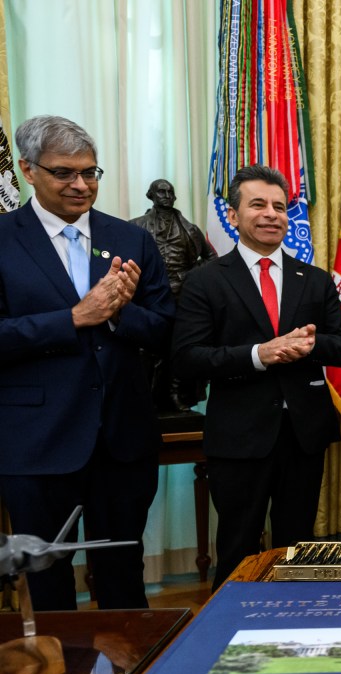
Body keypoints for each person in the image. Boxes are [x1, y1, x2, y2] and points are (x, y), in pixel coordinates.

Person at [0, 115, 174, 609]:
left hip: (122, 438)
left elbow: (165, 327)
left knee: (123, 571)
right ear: (28, 170)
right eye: (64, 173)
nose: (82, 185)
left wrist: (118, 315)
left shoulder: (130, 239)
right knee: (48, 579)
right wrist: (75, 317)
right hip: (38, 443)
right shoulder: (3, 239)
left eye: (91, 172)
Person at [171, 164, 341, 588]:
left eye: (280, 206)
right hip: (238, 437)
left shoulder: (313, 280)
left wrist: (312, 346)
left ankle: (294, 630)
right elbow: (187, 358)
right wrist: (259, 355)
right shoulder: (205, 281)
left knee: (298, 549)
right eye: (258, 204)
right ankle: (227, 637)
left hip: (304, 436)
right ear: (233, 216)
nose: (272, 213)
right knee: (238, 548)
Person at [130, 178, 217, 411]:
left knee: (178, 346)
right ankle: (144, 396)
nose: (166, 196)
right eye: (161, 192)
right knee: (146, 349)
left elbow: (211, 258)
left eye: (170, 192)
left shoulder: (189, 229)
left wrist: (191, 275)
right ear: (151, 196)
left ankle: (176, 394)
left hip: (181, 294)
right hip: (148, 295)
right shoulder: (136, 226)